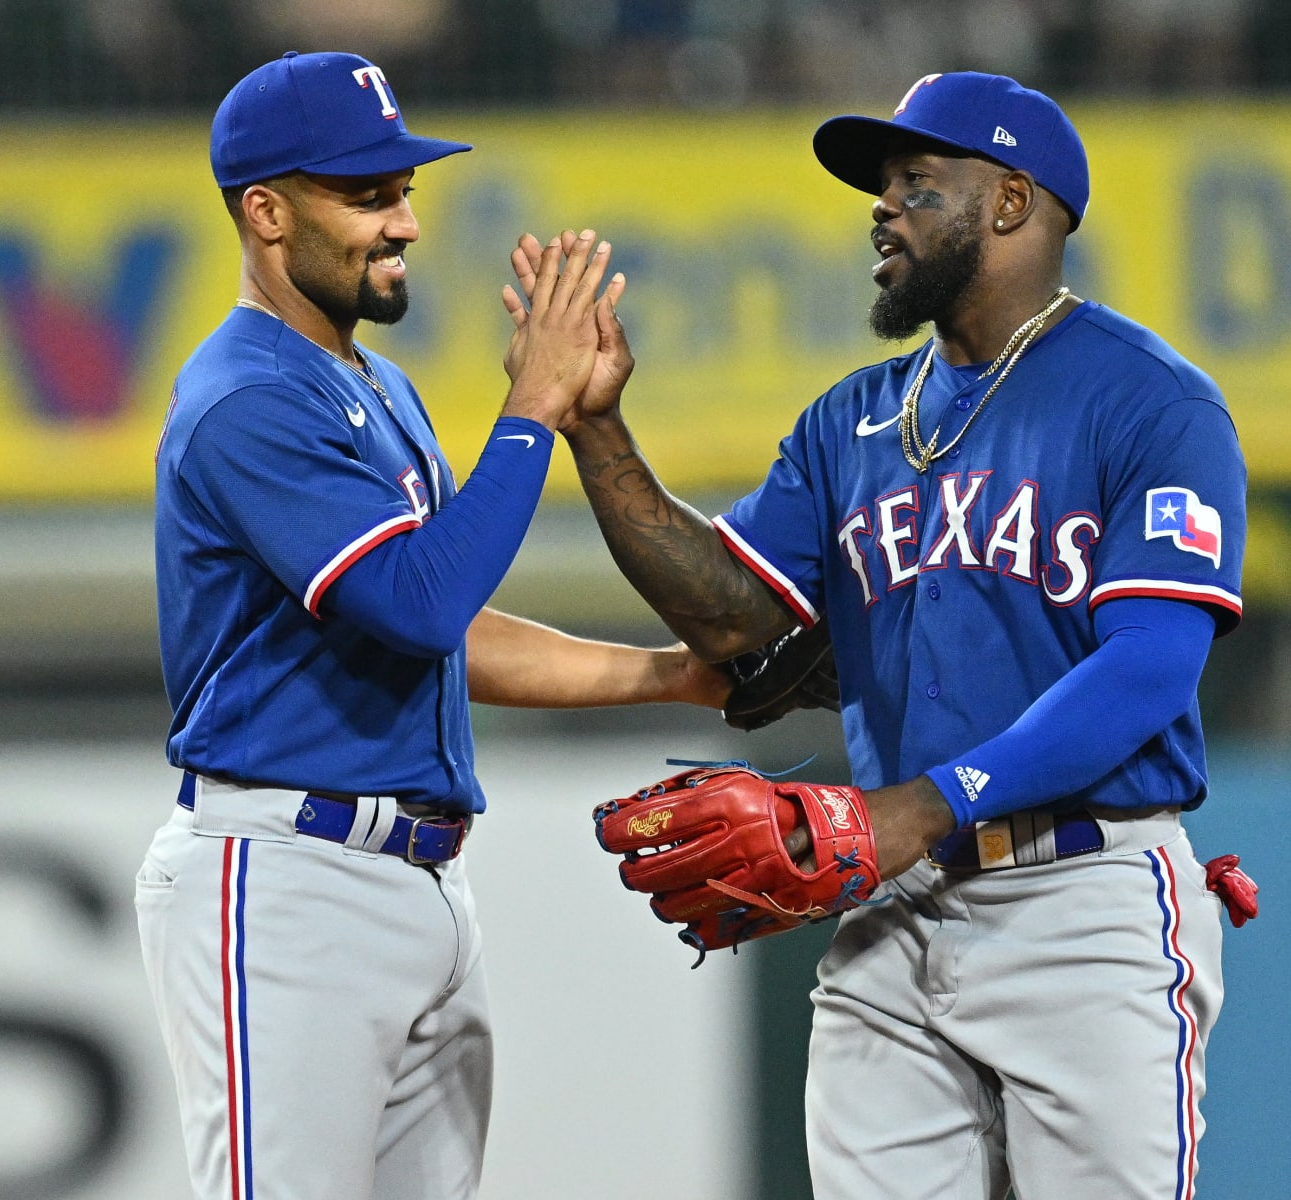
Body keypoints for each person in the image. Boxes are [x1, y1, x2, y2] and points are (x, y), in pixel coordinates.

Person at [519, 70, 1249, 1198]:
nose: (882, 206)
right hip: (892, 908)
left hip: (1082, 903)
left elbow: (1149, 669)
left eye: (917, 183)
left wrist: (928, 802)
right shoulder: (848, 421)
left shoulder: (1152, 402)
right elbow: (733, 619)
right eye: (882, 186)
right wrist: (600, 433)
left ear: (1011, 202)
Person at [135, 50, 727, 1200]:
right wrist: (533, 412)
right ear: (264, 212)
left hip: (421, 880)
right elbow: (420, 604)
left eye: (402, 189)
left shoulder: (374, 386)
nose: (404, 221)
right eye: (365, 196)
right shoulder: (245, 396)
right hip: (285, 878)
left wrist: (675, 676)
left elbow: (445, 631)